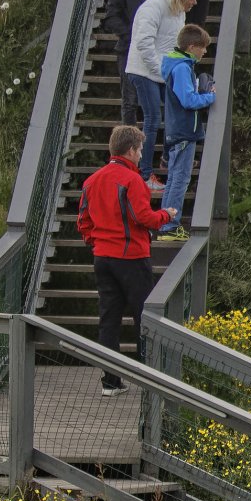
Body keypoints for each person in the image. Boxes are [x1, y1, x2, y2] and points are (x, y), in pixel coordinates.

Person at [76, 124, 175, 390]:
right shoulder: (132, 181)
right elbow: (144, 217)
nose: (142, 155)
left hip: (103, 258)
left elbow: (83, 221)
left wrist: (96, 242)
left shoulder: (91, 181)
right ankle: (148, 380)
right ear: (130, 150)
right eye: (141, 150)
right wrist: (167, 215)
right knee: (144, 317)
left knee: (109, 319)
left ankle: (110, 381)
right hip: (131, 257)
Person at [125, 0, 200, 188]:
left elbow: (174, 44)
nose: (194, 3)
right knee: (152, 118)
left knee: (175, 114)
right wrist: (162, 70)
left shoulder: (179, 12)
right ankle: (145, 175)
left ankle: (168, 158)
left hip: (164, 72)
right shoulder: (153, 8)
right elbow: (144, 44)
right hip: (143, 70)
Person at [157, 23, 216, 241]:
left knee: (174, 179)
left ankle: (165, 224)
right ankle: (170, 226)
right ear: (192, 47)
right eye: (203, 47)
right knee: (179, 181)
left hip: (177, 131)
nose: (205, 52)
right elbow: (188, 100)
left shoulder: (178, 65)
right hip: (183, 132)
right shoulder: (182, 68)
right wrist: (210, 96)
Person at [106, 0, 170, 128]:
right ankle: (128, 148)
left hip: (159, 48)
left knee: (164, 99)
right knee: (130, 101)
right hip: (129, 49)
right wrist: (133, 35)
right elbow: (111, 17)